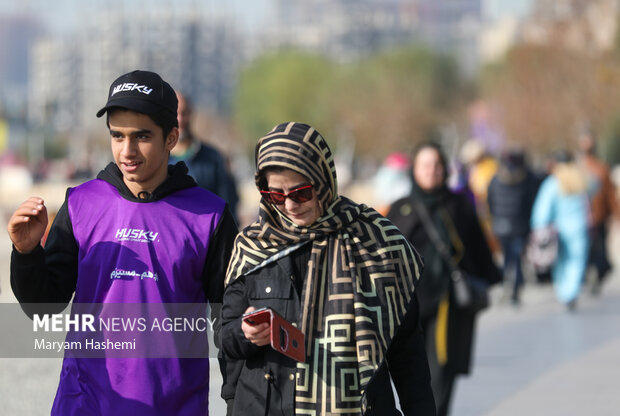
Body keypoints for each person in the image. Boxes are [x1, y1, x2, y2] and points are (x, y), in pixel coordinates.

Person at [8, 70, 238, 415]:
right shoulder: (81, 204)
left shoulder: (210, 216)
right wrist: (26, 253)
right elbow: (44, 305)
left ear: (171, 137)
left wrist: (240, 400)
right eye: (117, 135)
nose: (127, 150)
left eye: (141, 136)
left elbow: (230, 325)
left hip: (173, 406)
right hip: (84, 403)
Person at [220, 122, 436, 415]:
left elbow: (407, 351)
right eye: (276, 195)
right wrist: (245, 334)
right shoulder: (252, 246)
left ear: (323, 181)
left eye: (301, 192)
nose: (290, 205)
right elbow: (225, 338)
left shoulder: (375, 243)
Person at [387, 141, 501, 416]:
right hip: (407, 307)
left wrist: (486, 278)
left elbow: (477, 247)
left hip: (448, 307)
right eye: (426, 165)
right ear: (414, 169)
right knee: (410, 371)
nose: (432, 171)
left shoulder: (459, 205)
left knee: (442, 372)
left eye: (437, 165)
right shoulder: (401, 208)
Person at [531, 150, 590, 311]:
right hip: (578, 228)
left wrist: (539, 227)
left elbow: (542, 210)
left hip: (558, 230)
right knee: (576, 261)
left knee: (561, 262)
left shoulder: (553, 183)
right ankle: (571, 292)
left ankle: (565, 292)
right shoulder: (580, 181)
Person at [171, 91, 239, 221]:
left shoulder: (213, 158)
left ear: (191, 114)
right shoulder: (157, 160)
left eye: (184, 113)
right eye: (175, 114)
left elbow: (228, 203)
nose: (180, 119)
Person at [487, 149, 539, 305]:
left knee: (508, 257)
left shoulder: (496, 179)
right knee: (517, 257)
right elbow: (532, 202)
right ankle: (515, 287)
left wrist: (495, 218)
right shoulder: (527, 179)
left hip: (501, 224)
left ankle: (507, 283)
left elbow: (490, 201)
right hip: (520, 225)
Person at [577, 128, 619, 294]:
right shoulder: (591, 168)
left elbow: (610, 194)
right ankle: (594, 272)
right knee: (596, 248)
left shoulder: (597, 168)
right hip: (590, 217)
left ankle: (594, 272)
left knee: (594, 248)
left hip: (591, 217)